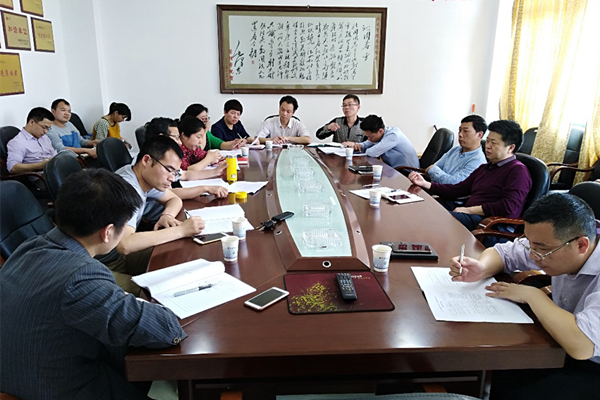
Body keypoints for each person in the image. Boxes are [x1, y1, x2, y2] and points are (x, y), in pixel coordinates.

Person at [0, 168, 186, 399]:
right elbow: (166, 330)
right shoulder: (81, 278)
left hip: (17, 377)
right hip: (56, 388)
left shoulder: (28, 247)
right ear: (108, 232)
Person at [450, 193, 600, 400]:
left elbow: (583, 346)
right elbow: (503, 253)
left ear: (582, 245)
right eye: (530, 245)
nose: (531, 255)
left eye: (542, 250)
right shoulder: (558, 241)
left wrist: (534, 296)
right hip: (560, 344)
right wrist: (481, 268)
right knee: (490, 368)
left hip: (591, 364)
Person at [97, 136, 205, 295]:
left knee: (180, 252)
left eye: (175, 172)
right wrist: (181, 230)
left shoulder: (141, 177)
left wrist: (167, 215)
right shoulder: (127, 187)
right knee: (156, 293)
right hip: (103, 265)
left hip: (118, 256)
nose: (172, 178)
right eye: (168, 169)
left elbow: (174, 199)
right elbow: (125, 244)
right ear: (146, 160)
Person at [408, 120, 532, 231]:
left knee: (435, 219)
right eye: (488, 141)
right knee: (423, 207)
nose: (488, 146)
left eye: (494, 143)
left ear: (510, 148)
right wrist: (425, 183)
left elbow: (508, 207)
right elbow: (458, 189)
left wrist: (469, 210)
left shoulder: (517, 171)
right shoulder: (486, 167)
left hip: (491, 224)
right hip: (470, 214)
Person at [144, 117, 228, 199]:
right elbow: (170, 193)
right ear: (162, 137)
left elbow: (185, 174)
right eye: (176, 137)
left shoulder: (162, 159)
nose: (180, 142)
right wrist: (205, 189)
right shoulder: (152, 163)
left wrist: (216, 172)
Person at [409, 115, 487, 184]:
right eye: (460, 130)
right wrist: (437, 173)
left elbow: (453, 183)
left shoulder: (478, 162)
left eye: (466, 131)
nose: (460, 134)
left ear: (479, 135)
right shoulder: (455, 150)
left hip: (447, 195)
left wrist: (435, 172)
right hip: (432, 186)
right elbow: (434, 167)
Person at [342, 114, 419, 169]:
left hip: (408, 172)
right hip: (394, 170)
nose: (369, 139)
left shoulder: (393, 136)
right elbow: (366, 144)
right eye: (367, 136)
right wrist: (358, 145)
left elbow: (372, 153)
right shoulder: (380, 135)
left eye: (370, 136)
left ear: (380, 131)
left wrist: (365, 148)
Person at [6, 107, 57, 174]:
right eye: (44, 127)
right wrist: (39, 165)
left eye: (48, 128)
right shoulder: (18, 142)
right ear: (32, 122)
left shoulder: (45, 138)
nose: (46, 131)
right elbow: (12, 167)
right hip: (40, 176)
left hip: (55, 170)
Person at [180, 103, 245, 150]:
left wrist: (234, 143)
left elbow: (220, 144)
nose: (206, 121)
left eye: (206, 118)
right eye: (203, 118)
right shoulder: (188, 134)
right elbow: (198, 150)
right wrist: (205, 130)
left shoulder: (207, 133)